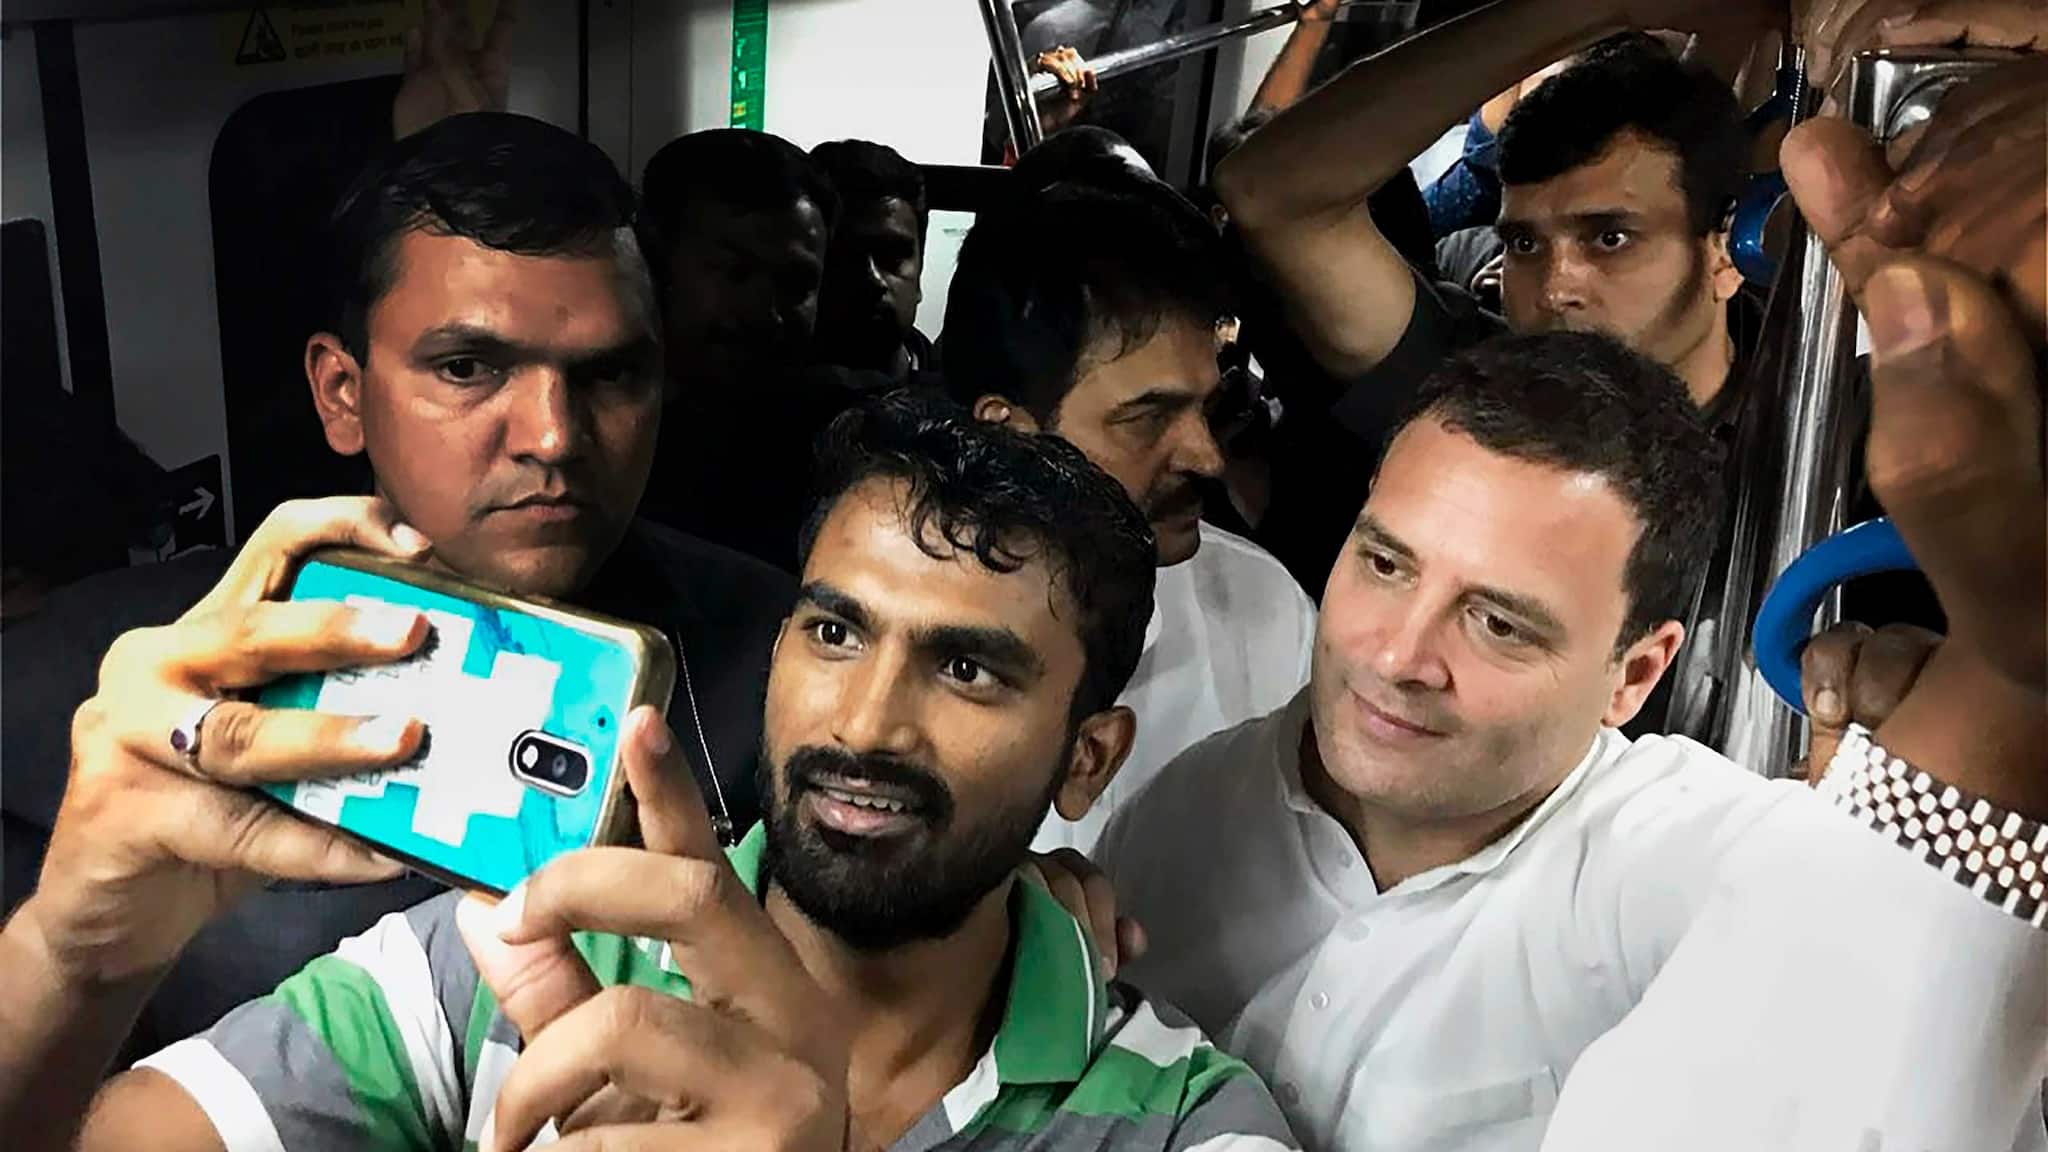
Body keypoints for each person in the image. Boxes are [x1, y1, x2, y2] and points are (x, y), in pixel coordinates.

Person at [1, 393, 1301, 1152]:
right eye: (834, 633)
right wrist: (76, 951)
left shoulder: (1184, 1121)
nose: (865, 723)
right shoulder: (501, 957)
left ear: (1087, 758)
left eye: (967, 670)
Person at [1092, 327, 2046, 1152]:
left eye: (1498, 623)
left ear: (1635, 675)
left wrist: (1978, 725)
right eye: (1385, 564)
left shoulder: (1684, 863)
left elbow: (1925, 984)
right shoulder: (1177, 818)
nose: (1398, 655)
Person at [0, 111, 792, 1063]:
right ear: (342, 394)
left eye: (612, 374)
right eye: (467, 368)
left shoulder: (780, 657)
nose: (553, 436)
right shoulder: (95, 695)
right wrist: (68, 957)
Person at [942, 178, 1317, 854]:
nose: (1207, 457)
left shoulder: (1264, 610)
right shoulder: (890, 639)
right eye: (1148, 418)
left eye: (1207, 408)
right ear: (1007, 432)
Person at [634, 128, 875, 572]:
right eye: (736, 271)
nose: (766, 313)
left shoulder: (849, 439)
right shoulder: (585, 428)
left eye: (797, 282)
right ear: (655, 262)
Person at [809, 139, 937, 381]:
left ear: (920, 269)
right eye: (845, 255)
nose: (873, 279)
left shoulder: (966, 393)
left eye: (893, 255)